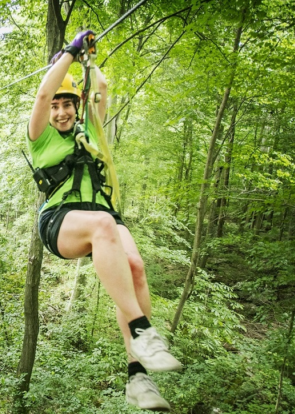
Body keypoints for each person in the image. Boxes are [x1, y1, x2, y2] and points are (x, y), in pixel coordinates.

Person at [26, 31, 181, 411]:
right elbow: (42, 95)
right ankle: (143, 330)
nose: (60, 111)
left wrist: (90, 61)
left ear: (77, 106)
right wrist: (69, 53)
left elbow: (103, 87)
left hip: (105, 215)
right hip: (60, 220)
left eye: (68, 104)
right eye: (56, 106)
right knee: (103, 226)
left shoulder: (91, 130)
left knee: (136, 268)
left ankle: (138, 378)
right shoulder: (40, 137)